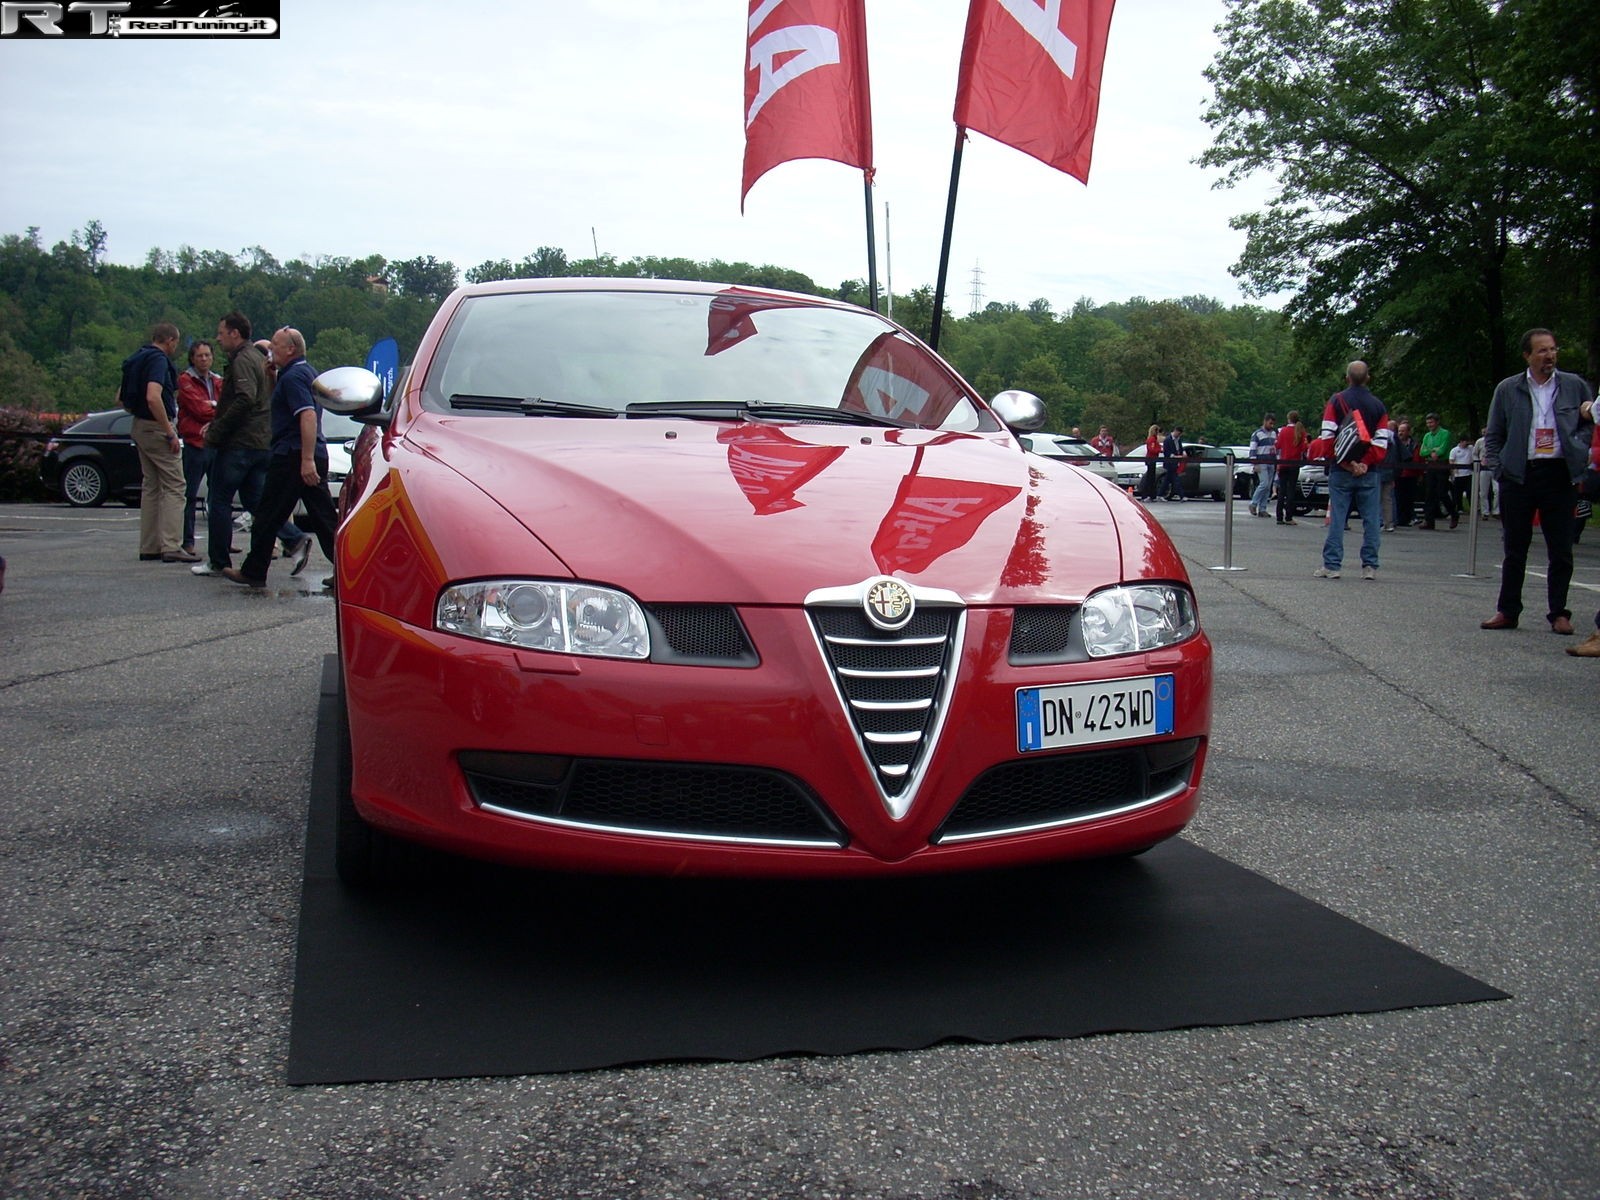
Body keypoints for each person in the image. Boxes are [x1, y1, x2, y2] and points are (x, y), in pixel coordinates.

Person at [1480, 328, 1597, 634]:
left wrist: (1579, 446)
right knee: (1515, 548)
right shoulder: (1508, 389)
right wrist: (1499, 468)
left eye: (1553, 349)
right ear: (1527, 355)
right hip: (1519, 474)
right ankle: (1508, 610)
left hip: (1559, 473)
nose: (1550, 356)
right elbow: (1494, 435)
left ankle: (1559, 612)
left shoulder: (1573, 385)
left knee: (1561, 547)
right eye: (1543, 351)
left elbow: (1589, 420)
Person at [223, 328, 338, 588]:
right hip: (306, 452)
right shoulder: (304, 372)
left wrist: (306, 460)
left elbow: (306, 415)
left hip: (293, 455)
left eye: (275, 345)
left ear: (291, 350)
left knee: (268, 514)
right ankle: (348, 571)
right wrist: (272, 377)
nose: (270, 350)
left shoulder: (294, 376)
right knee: (323, 517)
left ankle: (254, 571)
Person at [197, 313, 311, 577]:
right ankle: (293, 538)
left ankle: (218, 560)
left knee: (219, 500)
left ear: (235, 334)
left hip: (240, 443)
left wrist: (217, 430)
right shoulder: (260, 360)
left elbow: (245, 399)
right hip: (261, 442)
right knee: (255, 500)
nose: (218, 338)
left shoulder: (242, 361)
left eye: (222, 333)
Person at [1309, 361, 1391, 580]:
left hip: (1341, 469)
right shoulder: (1378, 406)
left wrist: (1347, 463)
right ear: (1368, 379)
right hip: (1369, 470)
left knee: (1338, 517)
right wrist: (1364, 462)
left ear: (1347, 378)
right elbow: (1382, 442)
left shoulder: (1336, 401)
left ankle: (1332, 565)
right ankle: (1370, 566)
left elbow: (1327, 437)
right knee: (1371, 518)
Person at [123, 322, 196, 562]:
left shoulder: (136, 358)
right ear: (170, 341)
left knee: (151, 485)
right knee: (175, 485)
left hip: (139, 425)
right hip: (157, 427)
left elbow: (121, 397)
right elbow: (153, 396)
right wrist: (169, 431)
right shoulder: (158, 360)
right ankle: (171, 545)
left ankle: (150, 545)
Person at [176, 339, 220, 558]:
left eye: (207, 355)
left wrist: (213, 407)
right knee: (190, 495)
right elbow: (197, 408)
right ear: (192, 358)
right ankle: (188, 541)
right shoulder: (185, 380)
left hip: (215, 444)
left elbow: (227, 406)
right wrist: (215, 408)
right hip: (195, 443)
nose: (204, 359)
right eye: (199, 355)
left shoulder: (218, 380)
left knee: (218, 495)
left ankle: (219, 541)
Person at [1418, 412, 1457, 529]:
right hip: (1430, 465)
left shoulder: (1445, 433)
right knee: (1429, 493)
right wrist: (1432, 451)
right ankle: (1429, 520)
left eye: (1431, 422)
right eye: (1428, 423)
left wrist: (1433, 452)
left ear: (1437, 422)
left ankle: (1453, 513)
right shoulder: (1427, 436)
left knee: (1442, 492)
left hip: (1442, 465)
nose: (1429, 425)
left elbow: (1443, 449)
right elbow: (1422, 452)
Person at [1274, 410, 1306, 525]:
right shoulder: (1300, 432)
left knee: (1282, 490)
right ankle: (1289, 516)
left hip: (1283, 463)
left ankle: (1279, 516)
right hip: (1294, 463)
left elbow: (1277, 445)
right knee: (1291, 490)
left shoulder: (1283, 431)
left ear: (1288, 419)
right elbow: (1304, 448)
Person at [1391, 418, 1420, 529]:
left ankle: (1408, 518)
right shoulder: (1394, 443)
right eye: (1399, 430)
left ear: (1408, 432)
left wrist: (1418, 473)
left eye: (1403, 430)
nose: (1400, 433)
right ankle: (1399, 518)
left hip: (1410, 474)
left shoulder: (1414, 444)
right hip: (1398, 474)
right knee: (1398, 497)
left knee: (1408, 497)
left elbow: (1417, 459)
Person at [1248, 412, 1277, 517]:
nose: (1271, 426)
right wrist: (1254, 463)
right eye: (1270, 423)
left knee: (1268, 487)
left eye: (1273, 424)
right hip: (1261, 462)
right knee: (1264, 483)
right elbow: (1253, 449)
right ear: (1265, 421)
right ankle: (1253, 503)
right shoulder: (1257, 434)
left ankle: (1262, 508)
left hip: (1271, 461)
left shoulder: (1274, 434)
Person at [1448, 433, 1474, 521]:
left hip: (1468, 473)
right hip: (1459, 474)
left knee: (1470, 491)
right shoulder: (1454, 450)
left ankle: (1472, 507)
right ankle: (1459, 507)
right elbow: (1451, 461)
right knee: (1457, 493)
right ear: (1461, 441)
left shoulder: (1470, 449)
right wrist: (1453, 473)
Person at [1473, 426, 1497, 519]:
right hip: (1483, 468)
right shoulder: (1479, 442)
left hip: (1494, 468)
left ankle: (1496, 511)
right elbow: (1474, 453)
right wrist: (1478, 462)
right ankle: (1485, 511)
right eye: (1483, 433)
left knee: (1497, 490)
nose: (1485, 434)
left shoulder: (1496, 440)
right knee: (1483, 491)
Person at [1160, 425, 1185, 501]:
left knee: (1168, 480)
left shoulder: (1178, 439)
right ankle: (1181, 496)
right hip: (1170, 462)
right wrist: (1176, 456)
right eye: (1178, 434)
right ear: (1175, 431)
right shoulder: (1168, 440)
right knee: (1175, 479)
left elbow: (1180, 448)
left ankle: (1160, 494)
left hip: (1175, 463)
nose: (1178, 436)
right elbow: (1166, 452)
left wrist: (1183, 453)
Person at [1141, 424, 1161, 499]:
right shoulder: (1152, 439)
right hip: (1151, 459)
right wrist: (1160, 450)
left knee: (1151, 477)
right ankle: (1146, 494)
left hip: (1153, 459)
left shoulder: (1154, 439)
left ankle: (1151, 494)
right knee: (1150, 477)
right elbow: (1152, 449)